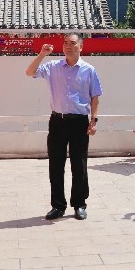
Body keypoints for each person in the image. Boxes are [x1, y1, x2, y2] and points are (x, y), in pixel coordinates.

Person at [25, 33, 102, 221]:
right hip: (57, 121)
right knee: (56, 164)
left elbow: (95, 97)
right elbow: (30, 72)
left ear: (80, 47)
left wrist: (93, 121)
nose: (68, 46)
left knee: (79, 164)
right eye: (65, 43)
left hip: (79, 122)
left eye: (72, 43)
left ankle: (79, 204)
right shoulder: (53, 67)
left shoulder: (89, 70)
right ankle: (58, 206)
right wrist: (42, 54)